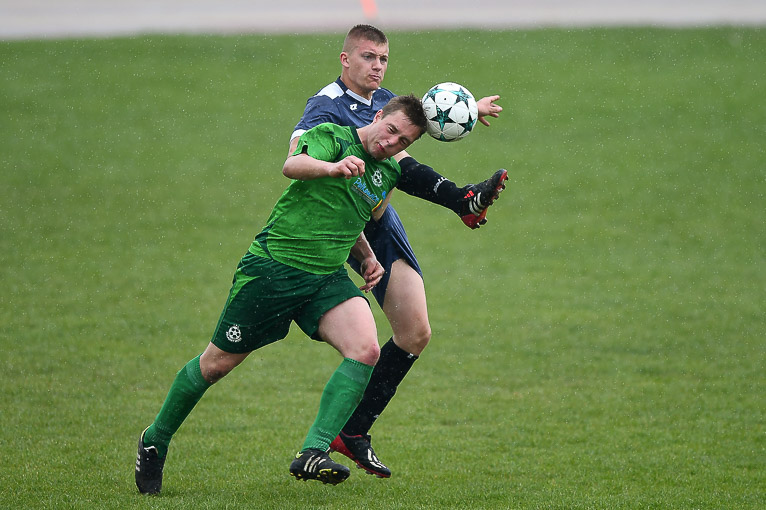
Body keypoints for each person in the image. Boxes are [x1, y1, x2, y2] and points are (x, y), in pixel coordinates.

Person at [135, 94, 429, 494]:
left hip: (325, 278)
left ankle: (313, 451)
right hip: (274, 270)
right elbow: (293, 165)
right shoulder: (332, 136)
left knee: (366, 349)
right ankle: (155, 439)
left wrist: (367, 256)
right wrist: (332, 167)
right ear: (378, 115)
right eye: (391, 130)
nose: (391, 143)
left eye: (403, 141)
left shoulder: (387, 173)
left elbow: (352, 213)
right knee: (216, 365)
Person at [288, 24, 507, 479]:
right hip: (346, 225)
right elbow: (296, 154)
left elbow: (419, 122)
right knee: (398, 162)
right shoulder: (325, 106)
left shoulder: (383, 100)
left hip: (383, 223)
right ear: (345, 59)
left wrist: (469, 109)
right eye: (368, 57)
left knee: (414, 333)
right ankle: (463, 201)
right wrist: (333, 165)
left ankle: (353, 431)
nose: (377, 66)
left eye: (383, 59)